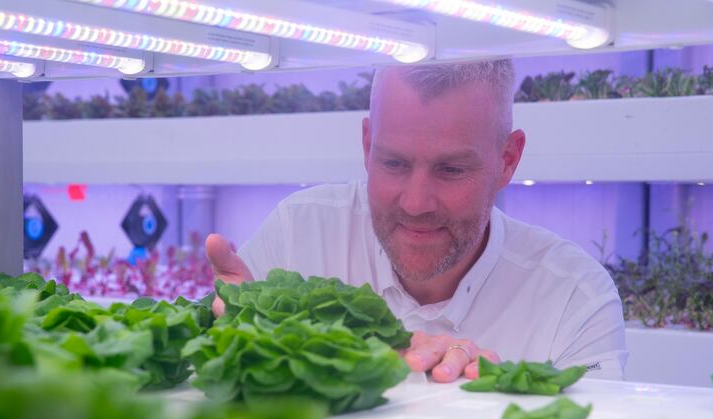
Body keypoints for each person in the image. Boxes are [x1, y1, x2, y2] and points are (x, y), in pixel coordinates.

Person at [205, 59, 628, 382]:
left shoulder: (575, 298)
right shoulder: (298, 233)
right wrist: (233, 334)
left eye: (451, 170)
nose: (416, 202)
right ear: (368, 145)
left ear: (507, 161)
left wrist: (492, 404)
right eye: (393, 162)